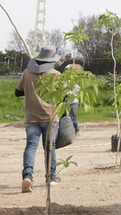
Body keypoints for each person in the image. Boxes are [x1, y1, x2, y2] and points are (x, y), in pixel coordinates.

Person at [15, 45, 62, 192]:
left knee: (31, 146)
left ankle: (27, 175)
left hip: (31, 117)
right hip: (50, 116)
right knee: (49, 147)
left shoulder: (27, 73)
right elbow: (64, 96)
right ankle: (51, 177)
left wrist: (31, 88)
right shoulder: (56, 74)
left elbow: (18, 92)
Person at [61, 58, 84, 137]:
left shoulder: (73, 83)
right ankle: (70, 131)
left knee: (73, 116)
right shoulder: (65, 82)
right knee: (67, 117)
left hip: (73, 102)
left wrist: (68, 93)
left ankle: (77, 130)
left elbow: (76, 91)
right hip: (67, 103)